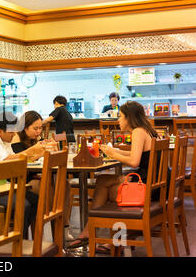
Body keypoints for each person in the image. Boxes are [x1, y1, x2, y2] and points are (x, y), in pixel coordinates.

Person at [68, 101, 160, 253]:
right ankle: (99, 235)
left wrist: (113, 154)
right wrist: (116, 151)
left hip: (146, 186)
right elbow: (137, 154)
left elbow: (134, 162)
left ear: (129, 118)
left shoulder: (138, 132)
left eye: (121, 116)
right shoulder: (147, 130)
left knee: (109, 191)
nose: (118, 119)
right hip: (153, 182)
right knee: (103, 180)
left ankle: (101, 236)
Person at [0, 111, 46, 238]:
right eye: (11, 132)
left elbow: (15, 160)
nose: (14, 135)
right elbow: (6, 160)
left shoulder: (4, 140)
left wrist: (37, 154)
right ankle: (17, 240)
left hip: (2, 185)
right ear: (0, 131)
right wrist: (30, 152)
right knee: (23, 204)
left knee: (35, 200)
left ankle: (18, 236)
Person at [11, 110, 75, 241]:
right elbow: (21, 160)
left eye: (40, 128)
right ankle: (55, 225)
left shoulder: (36, 139)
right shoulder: (15, 138)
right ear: (24, 127)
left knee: (64, 184)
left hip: (36, 176)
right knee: (49, 186)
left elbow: (39, 156)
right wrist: (39, 153)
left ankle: (63, 225)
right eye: (35, 128)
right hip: (21, 179)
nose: (38, 131)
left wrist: (51, 149)